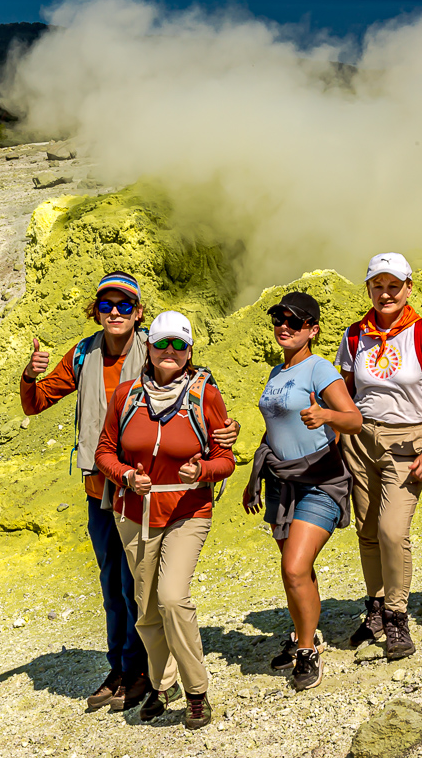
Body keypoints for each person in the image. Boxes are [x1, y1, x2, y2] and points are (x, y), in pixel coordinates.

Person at [20, 273, 239, 711]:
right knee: (115, 584)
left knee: (136, 586)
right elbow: (36, 402)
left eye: (124, 305)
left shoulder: (158, 348)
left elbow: (200, 396)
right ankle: (121, 670)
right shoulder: (83, 354)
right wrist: (30, 376)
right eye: (106, 305)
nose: (115, 312)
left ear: (139, 313)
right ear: (96, 312)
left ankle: (141, 673)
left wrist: (228, 432)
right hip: (103, 483)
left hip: (147, 490)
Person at [96, 310, 236, 729]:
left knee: (173, 598)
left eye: (179, 344)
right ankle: (162, 684)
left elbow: (225, 459)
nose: (169, 351)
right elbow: (104, 451)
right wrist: (125, 476)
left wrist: (202, 471)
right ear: (149, 347)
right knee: (145, 608)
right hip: (134, 512)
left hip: (186, 510)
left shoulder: (205, 395)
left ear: (189, 350)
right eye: (162, 343)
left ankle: (196, 692)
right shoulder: (126, 396)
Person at [336, 253, 422, 660]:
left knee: (392, 531)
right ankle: (376, 608)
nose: (385, 294)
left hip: (406, 442)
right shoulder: (355, 336)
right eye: (377, 286)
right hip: (360, 440)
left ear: (408, 287)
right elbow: (344, 392)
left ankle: (397, 616)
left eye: (393, 286)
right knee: (368, 531)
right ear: (368, 289)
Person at [243, 292, 362, 691]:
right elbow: (276, 429)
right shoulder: (276, 372)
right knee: (297, 570)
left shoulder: (319, 368)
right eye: (279, 319)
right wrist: (253, 479)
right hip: (281, 483)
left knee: (294, 568)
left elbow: (354, 419)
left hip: (320, 480)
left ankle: (308, 650)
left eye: (294, 322)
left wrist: (326, 414)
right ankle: (302, 633)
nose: (284, 327)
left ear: (312, 330)